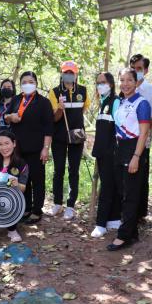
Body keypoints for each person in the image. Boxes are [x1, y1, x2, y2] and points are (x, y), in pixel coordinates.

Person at [107, 68, 151, 251]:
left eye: (129, 80)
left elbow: (143, 134)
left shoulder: (142, 103)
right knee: (123, 192)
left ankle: (123, 236)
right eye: (122, 80)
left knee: (131, 195)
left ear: (136, 82)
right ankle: (132, 233)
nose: (125, 84)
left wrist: (136, 157)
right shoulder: (122, 102)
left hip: (134, 149)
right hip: (120, 149)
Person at [4, 71, 54, 224]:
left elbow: (48, 128)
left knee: (37, 179)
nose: (27, 84)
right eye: (24, 81)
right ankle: (25, 207)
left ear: (36, 83)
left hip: (36, 148)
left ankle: (37, 210)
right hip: (17, 148)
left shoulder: (44, 102)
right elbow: (5, 117)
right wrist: (10, 117)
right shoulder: (16, 99)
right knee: (20, 179)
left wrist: (46, 148)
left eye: (30, 81)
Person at [48, 61, 90, 220]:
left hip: (77, 135)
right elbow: (54, 118)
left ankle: (71, 205)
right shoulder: (54, 92)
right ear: (62, 73)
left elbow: (83, 110)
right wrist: (60, 108)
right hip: (59, 136)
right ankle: (57, 203)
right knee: (58, 169)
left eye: (72, 72)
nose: (69, 75)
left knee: (74, 170)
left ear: (76, 74)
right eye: (66, 72)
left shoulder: (83, 91)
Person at [129, 54, 152, 221]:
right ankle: (126, 210)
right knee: (127, 174)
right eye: (133, 68)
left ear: (146, 70)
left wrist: (143, 126)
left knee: (141, 175)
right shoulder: (126, 88)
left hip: (143, 140)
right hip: (125, 140)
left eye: (139, 69)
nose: (136, 72)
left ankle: (140, 213)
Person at [90, 72, 121, 237]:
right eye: (98, 83)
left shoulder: (115, 102)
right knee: (109, 185)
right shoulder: (102, 102)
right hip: (102, 152)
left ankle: (101, 223)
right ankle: (113, 219)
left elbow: (119, 128)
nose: (100, 85)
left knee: (108, 187)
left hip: (112, 152)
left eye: (103, 82)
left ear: (111, 83)